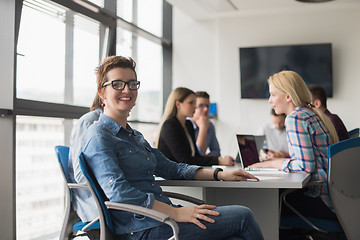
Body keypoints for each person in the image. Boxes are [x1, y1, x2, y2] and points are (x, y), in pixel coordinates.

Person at [80, 55, 264, 240]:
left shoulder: (133, 136)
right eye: (117, 84)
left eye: (132, 83)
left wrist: (220, 174)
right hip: (141, 229)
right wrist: (176, 213)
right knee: (243, 216)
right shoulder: (98, 136)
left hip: (162, 219)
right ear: (102, 92)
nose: (127, 89)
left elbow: (173, 168)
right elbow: (119, 193)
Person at [249, 70, 340, 222]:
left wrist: (274, 164)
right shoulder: (311, 112)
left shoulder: (295, 118)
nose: (269, 100)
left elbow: (306, 166)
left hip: (321, 200)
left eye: (273, 94)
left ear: (288, 96)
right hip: (336, 199)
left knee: (264, 205)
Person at [157, 87, 235, 166]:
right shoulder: (169, 126)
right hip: (171, 176)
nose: (195, 106)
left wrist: (219, 160)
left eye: (195, 103)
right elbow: (185, 160)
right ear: (178, 104)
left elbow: (196, 156)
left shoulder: (188, 125)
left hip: (185, 173)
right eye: (191, 103)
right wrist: (218, 161)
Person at [68, 94, 103, 221]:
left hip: (117, 201)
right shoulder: (89, 122)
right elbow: (81, 176)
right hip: (97, 205)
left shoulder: (119, 125)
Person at [188, 91, 221, 156]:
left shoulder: (210, 125)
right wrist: (203, 128)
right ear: (194, 107)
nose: (206, 109)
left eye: (207, 106)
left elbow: (216, 151)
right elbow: (197, 154)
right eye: (201, 105)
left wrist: (206, 157)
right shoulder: (186, 124)